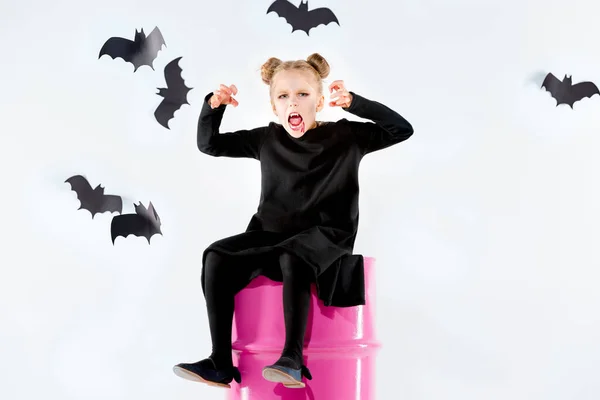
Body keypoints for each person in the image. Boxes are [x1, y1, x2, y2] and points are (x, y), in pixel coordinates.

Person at [173, 53, 414, 389]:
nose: (293, 103)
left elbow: (401, 129)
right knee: (216, 255)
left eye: (302, 94)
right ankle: (220, 362)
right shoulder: (267, 139)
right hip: (271, 236)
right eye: (283, 96)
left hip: (326, 237)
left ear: (319, 100)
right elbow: (209, 144)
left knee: (294, 253)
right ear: (274, 106)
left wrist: (356, 103)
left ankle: (293, 358)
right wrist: (214, 106)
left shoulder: (346, 137)